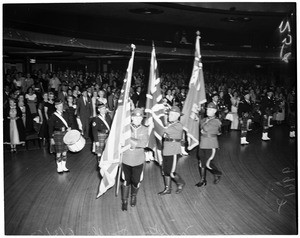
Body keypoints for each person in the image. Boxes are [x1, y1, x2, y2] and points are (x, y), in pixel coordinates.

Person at [121, 108, 149, 211]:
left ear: (142, 118)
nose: (137, 119)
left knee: (136, 181)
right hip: (126, 158)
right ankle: (124, 200)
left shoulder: (145, 129)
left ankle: (133, 196)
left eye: (140, 117)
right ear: (131, 117)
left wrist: (130, 141)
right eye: (135, 116)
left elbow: (144, 143)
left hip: (138, 159)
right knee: (126, 180)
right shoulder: (125, 128)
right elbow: (120, 141)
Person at [156, 106, 186, 196]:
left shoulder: (178, 125)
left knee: (171, 172)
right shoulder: (170, 124)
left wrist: (154, 120)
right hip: (166, 149)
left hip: (173, 150)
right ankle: (167, 189)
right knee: (165, 170)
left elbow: (163, 130)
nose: (170, 116)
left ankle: (180, 182)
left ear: (177, 116)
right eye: (169, 114)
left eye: (172, 114)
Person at [196, 102, 222, 187]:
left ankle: (217, 173)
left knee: (208, 163)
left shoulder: (216, 121)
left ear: (214, 111)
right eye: (207, 109)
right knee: (201, 162)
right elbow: (202, 126)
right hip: (203, 143)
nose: (208, 110)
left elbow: (205, 128)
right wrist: (204, 125)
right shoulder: (205, 119)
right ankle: (203, 180)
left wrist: (204, 125)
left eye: (210, 109)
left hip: (211, 144)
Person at [48, 99, 71, 174]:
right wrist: (51, 138)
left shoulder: (66, 114)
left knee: (65, 151)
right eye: (59, 106)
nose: (61, 107)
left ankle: (64, 166)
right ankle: (59, 167)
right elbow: (50, 128)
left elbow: (69, 122)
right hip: (57, 134)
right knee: (58, 152)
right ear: (56, 106)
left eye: (61, 106)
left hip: (65, 133)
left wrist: (69, 127)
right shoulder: (53, 116)